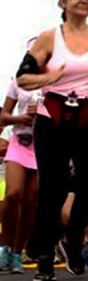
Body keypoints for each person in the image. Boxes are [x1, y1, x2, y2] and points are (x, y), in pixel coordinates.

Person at [17, 0, 88, 280]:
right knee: (52, 190)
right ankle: (45, 259)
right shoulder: (49, 38)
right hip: (54, 115)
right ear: (63, 2)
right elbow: (23, 78)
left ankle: (72, 236)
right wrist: (49, 78)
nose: (85, 0)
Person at [0, 39, 40, 274]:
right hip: (19, 141)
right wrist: (20, 119)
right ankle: (4, 246)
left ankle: (17, 252)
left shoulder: (54, 84)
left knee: (30, 201)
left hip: (42, 145)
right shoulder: (18, 83)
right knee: (13, 193)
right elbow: (3, 116)